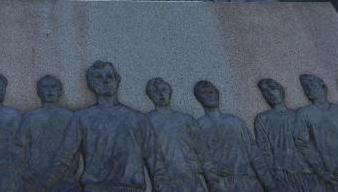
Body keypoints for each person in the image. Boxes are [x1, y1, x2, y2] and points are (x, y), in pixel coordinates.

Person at [41, 61, 167, 191]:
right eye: (98, 77)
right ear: (91, 84)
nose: (105, 81)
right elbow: (64, 158)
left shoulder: (138, 119)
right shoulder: (81, 118)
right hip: (95, 188)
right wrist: (44, 186)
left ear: (117, 81)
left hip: (131, 188)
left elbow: (156, 161)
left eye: (109, 76)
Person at [191, 80, 275, 191]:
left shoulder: (235, 121)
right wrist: (212, 169)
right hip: (223, 183)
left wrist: (270, 185)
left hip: (249, 180)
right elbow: (194, 159)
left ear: (217, 93)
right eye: (204, 93)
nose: (210, 95)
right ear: (198, 98)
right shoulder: (198, 126)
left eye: (212, 92)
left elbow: (254, 154)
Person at [11, 75, 76, 191]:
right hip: (35, 177)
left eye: (53, 87)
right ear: (38, 91)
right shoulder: (29, 117)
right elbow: (18, 146)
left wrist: (71, 171)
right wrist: (24, 171)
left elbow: (76, 148)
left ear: (60, 91)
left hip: (64, 178)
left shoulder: (70, 117)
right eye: (45, 87)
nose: (50, 90)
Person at [253, 78, 319, 191]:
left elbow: (311, 143)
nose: (270, 93)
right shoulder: (262, 118)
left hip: (308, 171)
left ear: (281, 90)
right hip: (283, 173)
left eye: (273, 89)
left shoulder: (298, 115)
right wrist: (271, 178)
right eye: (265, 91)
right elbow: (264, 150)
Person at [145, 77, 205, 191]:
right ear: (150, 96)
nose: (161, 93)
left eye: (163, 89)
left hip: (193, 178)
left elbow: (202, 150)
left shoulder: (187, 119)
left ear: (169, 92)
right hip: (166, 181)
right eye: (155, 91)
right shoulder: (147, 121)